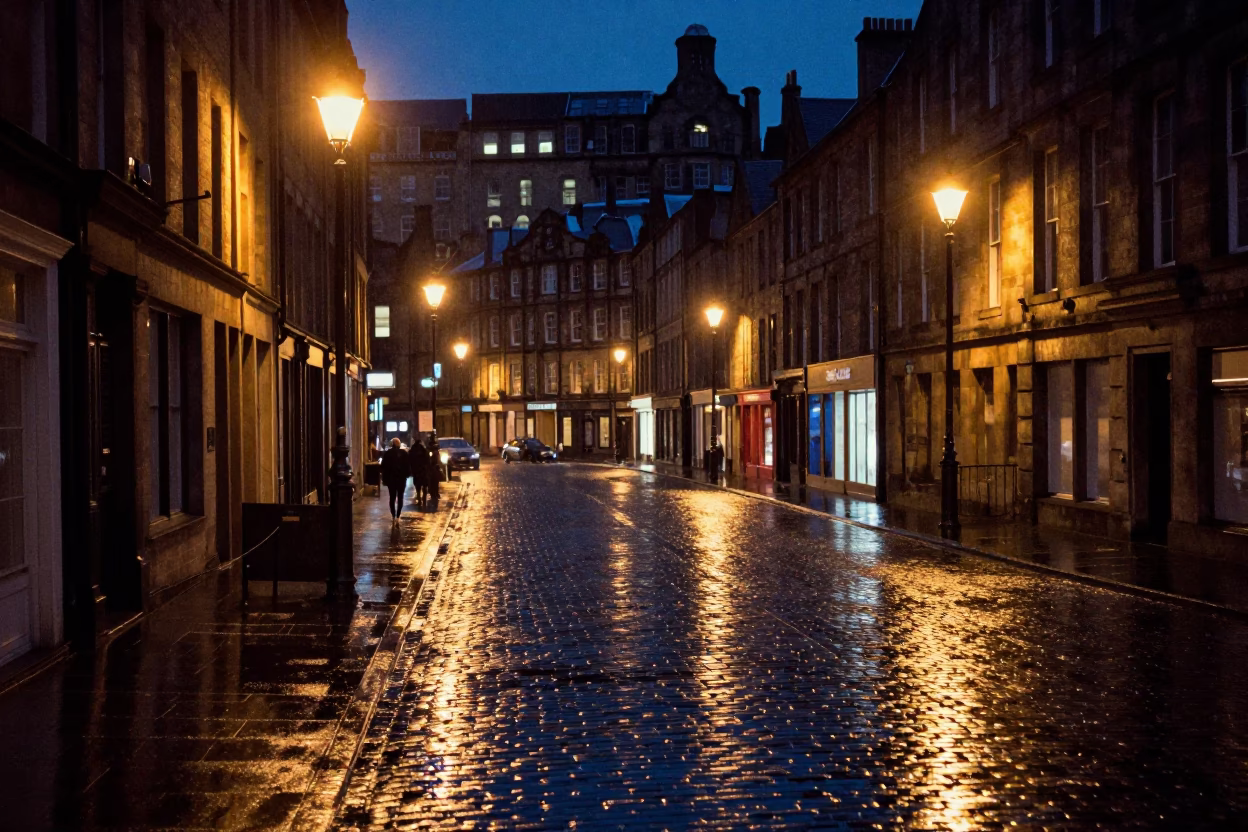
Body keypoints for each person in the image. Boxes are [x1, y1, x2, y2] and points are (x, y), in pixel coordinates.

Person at [379, 438, 409, 522]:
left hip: (391, 479)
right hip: (401, 479)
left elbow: (383, 467)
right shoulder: (404, 453)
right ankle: (398, 515)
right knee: (400, 497)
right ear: (399, 445)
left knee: (392, 497)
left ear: (392, 444)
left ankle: (393, 514)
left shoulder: (387, 454)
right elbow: (407, 466)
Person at [408, 437, 431, 509]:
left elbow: (410, 460)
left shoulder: (412, 450)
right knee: (424, 486)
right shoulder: (424, 450)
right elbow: (428, 460)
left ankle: (419, 499)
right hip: (423, 470)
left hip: (416, 470)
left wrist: (411, 469)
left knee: (418, 486)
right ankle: (424, 499)